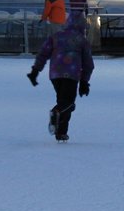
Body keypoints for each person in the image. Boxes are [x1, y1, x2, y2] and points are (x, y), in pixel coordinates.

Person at [27, 12, 94, 142]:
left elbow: (43, 53)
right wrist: (84, 81)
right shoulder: (82, 40)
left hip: (55, 74)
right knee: (68, 104)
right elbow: (88, 64)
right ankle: (55, 113)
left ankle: (61, 133)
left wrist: (35, 71)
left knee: (63, 102)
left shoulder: (56, 37)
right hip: (71, 74)